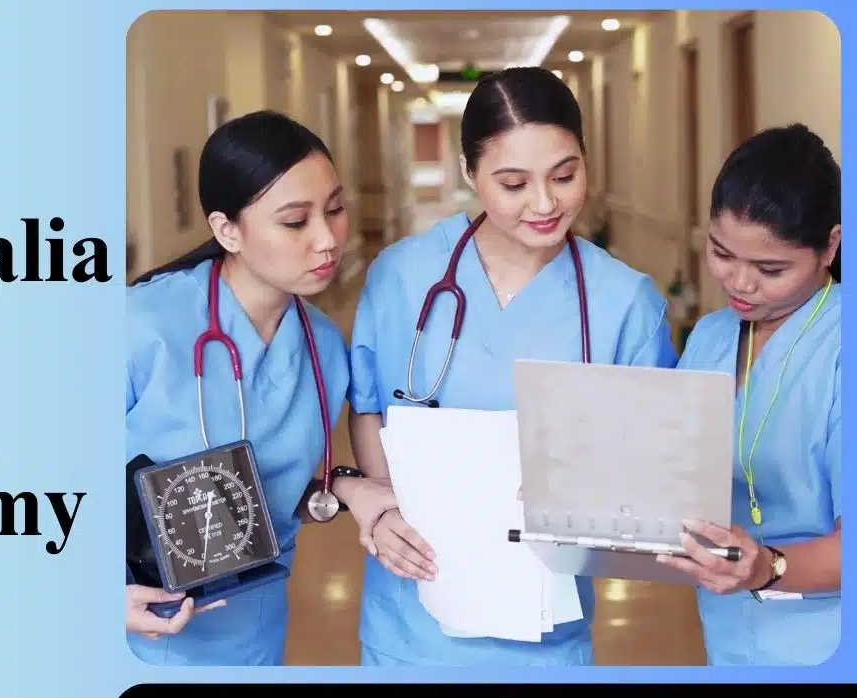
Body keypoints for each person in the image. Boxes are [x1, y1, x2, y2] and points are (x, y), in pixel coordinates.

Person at [344, 66, 680, 667]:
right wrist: (387, 506)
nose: (545, 204)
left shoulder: (625, 302)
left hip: (548, 628)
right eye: (513, 183)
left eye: (564, 175)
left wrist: (595, 494)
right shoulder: (401, 276)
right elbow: (370, 407)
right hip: (409, 621)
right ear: (469, 174)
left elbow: (653, 464)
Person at [125, 109, 397, 666]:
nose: (328, 240)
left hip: (255, 629)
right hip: (136, 633)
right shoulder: (142, 326)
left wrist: (349, 489)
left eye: (336, 209)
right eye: (296, 222)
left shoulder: (323, 350)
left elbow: (262, 487)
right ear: (227, 229)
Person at [659, 124, 841, 666]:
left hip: (825, 644)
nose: (740, 284)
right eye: (721, 254)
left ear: (830, 245)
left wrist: (769, 567)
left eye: (770, 269)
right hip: (730, 635)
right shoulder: (713, 337)